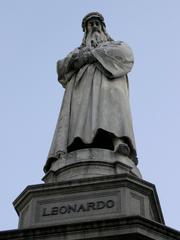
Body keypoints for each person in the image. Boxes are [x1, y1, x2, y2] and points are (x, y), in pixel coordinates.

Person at [44, 12, 137, 172]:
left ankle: (118, 141)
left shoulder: (115, 45)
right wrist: (78, 59)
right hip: (82, 90)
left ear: (103, 28)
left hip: (108, 85)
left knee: (111, 111)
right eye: (90, 24)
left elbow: (126, 55)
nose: (94, 26)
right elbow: (61, 68)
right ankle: (73, 147)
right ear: (86, 29)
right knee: (81, 117)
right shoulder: (77, 52)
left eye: (97, 23)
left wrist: (90, 56)